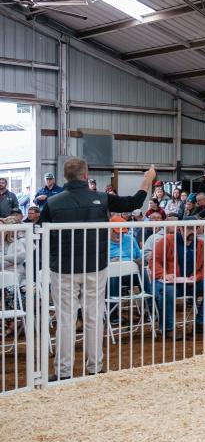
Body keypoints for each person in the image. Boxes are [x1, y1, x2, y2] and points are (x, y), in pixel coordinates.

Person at [38, 159, 153, 380]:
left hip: (63, 268)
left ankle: (63, 372)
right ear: (85, 174)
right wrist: (147, 179)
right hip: (95, 267)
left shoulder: (53, 202)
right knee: (94, 316)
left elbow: (42, 234)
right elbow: (133, 202)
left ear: (65, 176)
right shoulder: (101, 198)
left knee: (65, 318)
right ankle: (95, 368)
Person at [150, 226, 205, 339]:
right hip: (167, 282)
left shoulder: (201, 244)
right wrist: (164, 275)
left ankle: (203, 323)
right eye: (189, 229)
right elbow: (153, 261)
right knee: (167, 289)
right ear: (181, 229)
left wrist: (196, 277)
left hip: (190, 283)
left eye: (195, 229)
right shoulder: (167, 240)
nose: (192, 232)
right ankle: (168, 329)